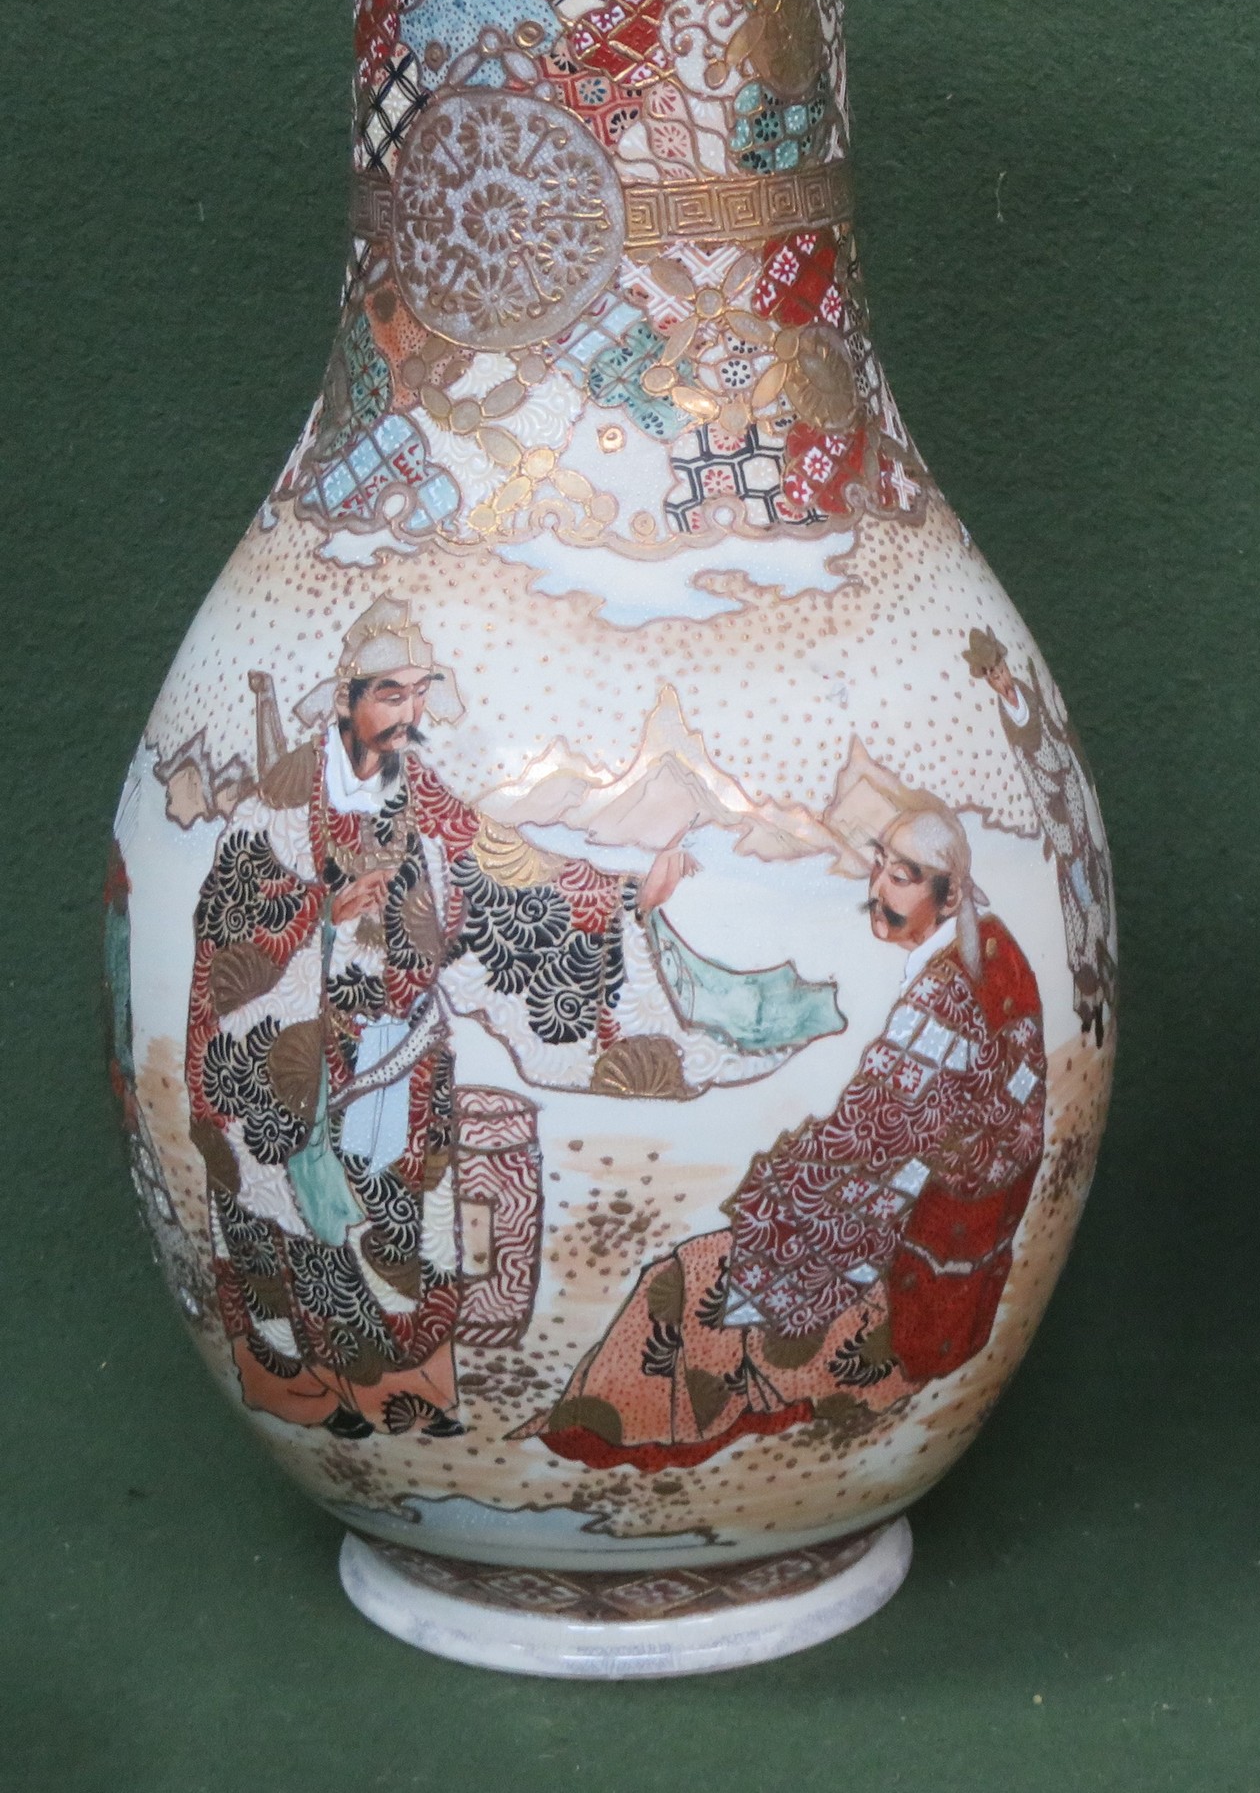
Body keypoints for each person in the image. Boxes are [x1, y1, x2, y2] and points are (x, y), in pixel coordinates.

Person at [183, 599, 727, 1439]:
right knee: (318, 1220)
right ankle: (329, 1386)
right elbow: (227, 920)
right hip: (305, 1062)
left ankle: (413, 1387)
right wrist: (322, 911)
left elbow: (504, 861)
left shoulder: (418, 790)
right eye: (390, 694)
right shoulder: (282, 799)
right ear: (345, 698)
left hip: (407, 1051)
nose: (408, 713)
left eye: (419, 694)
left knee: (410, 1216)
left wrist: (620, 893)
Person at [532, 800, 1049, 1471]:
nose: (878, 891)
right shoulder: (994, 954)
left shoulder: (946, 996)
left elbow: (873, 1136)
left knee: (688, 1275)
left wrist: (777, 1184)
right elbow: (894, 1127)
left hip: (922, 1274)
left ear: (950, 895)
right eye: (880, 867)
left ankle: (611, 1427)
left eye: (904, 877)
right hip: (959, 1254)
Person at [965, 627, 1116, 1045]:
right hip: (1057, 818)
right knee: (1076, 910)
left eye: (1001, 669)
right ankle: (1087, 1002)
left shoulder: (1031, 694)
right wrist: (1054, 823)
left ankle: (1099, 993)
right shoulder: (1005, 716)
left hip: (1073, 808)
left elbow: (1060, 741)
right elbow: (1031, 773)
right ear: (987, 680)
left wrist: (1072, 796)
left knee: (1093, 904)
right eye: (992, 676)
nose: (1001, 678)